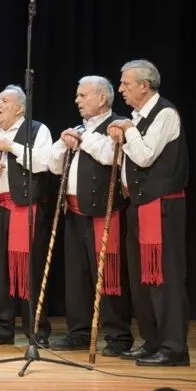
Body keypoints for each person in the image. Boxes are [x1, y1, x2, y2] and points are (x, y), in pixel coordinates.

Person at [107, 59, 190, 367]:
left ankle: (174, 348)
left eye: (125, 83)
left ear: (144, 85)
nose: (120, 88)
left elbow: (144, 157)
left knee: (165, 279)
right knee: (141, 280)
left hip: (162, 206)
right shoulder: (135, 118)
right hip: (139, 205)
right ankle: (152, 340)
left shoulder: (165, 114)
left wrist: (128, 130)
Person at [48, 76, 134, 357]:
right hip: (74, 212)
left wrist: (83, 139)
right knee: (77, 276)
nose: (77, 100)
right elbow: (53, 165)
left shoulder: (118, 125)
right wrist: (64, 143)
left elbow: (111, 156)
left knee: (109, 275)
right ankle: (79, 332)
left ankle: (118, 336)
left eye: (82, 95)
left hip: (105, 213)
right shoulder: (76, 129)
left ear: (102, 98)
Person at [0, 85, 53, 347]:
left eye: (5, 101)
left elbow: (44, 162)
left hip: (27, 209)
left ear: (20, 108)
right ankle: (1, 328)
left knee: (30, 270)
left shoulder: (37, 129)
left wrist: (12, 146)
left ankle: (36, 329)